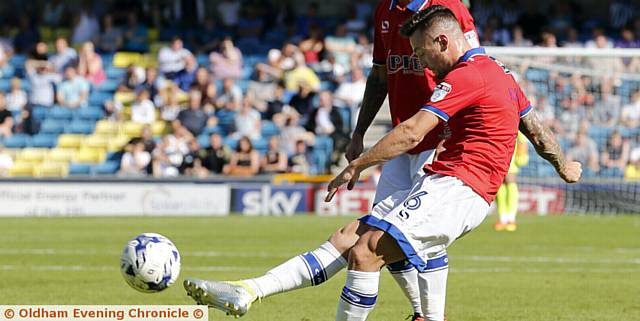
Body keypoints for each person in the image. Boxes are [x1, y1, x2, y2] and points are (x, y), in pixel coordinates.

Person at [183, 1, 481, 321]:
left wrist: (455, 134)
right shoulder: (385, 10)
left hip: (438, 142)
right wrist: (359, 133)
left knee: (380, 245)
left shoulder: (447, 8)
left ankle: (251, 289)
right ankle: (250, 289)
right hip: (401, 143)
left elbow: (472, 71)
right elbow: (380, 76)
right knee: (366, 240)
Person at [320, 8, 580, 320]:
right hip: (456, 186)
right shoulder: (502, 72)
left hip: (458, 186)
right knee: (384, 246)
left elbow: (411, 132)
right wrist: (565, 166)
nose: (420, 61)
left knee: (366, 251)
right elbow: (538, 134)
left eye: (420, 51)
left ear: (443, 41)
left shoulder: (466, 75)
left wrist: (359, 164)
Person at [494, 132, 529, 232]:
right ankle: (503, 218)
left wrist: (522, 155)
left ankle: (511, 218)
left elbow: (522, 138)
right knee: (500, 185)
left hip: (511, 155)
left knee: (510, 182)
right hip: (499, 154)